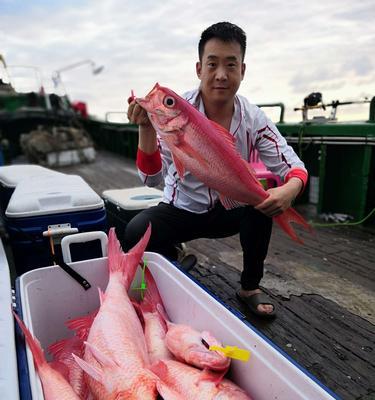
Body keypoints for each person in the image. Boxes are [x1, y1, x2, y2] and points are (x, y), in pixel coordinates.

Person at [126, 22, 308, 318]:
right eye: (212, 64)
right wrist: (146, 127)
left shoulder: (253, 117)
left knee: (261, 206)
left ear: (242, 71)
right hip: (182, 209)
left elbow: (293, 166)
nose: (220, 74)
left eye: (230, 65)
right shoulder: (176, 112)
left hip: (229, 210)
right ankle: (173, 260)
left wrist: (290, 189)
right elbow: (150, 179)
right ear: (199, 68)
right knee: (136, 230)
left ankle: (249, 287)